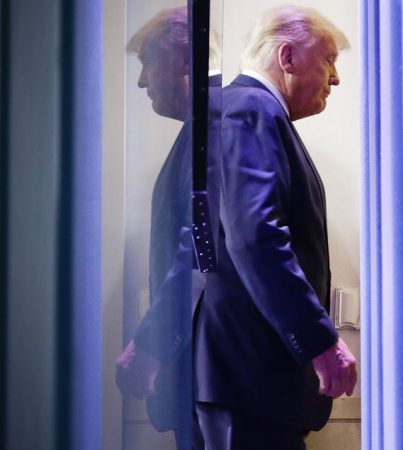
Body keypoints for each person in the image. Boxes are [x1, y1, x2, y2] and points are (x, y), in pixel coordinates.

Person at [194, 6, 357, 449]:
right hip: (250, 383)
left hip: (247, 384)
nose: (336, 78)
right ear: (287, 57)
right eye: (329, 60)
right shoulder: (252, 108)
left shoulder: (249, 111)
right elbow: (255, 236)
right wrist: (319, 341)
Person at [115, 8, 222, 450]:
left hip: (214, 382)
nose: (142, 81)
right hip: (206, 379)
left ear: (184, 60)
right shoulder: (202, 127)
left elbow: (202, 250)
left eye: (147, 61)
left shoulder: (213, 125)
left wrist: (150, 345)